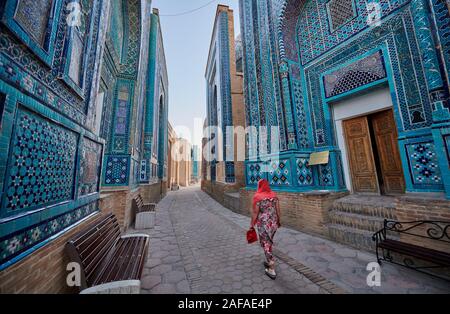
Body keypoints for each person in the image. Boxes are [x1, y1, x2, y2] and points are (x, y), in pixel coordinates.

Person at [250, 179, 281, 280]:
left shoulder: (258, 197)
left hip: (263, 224)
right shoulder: (274, 195)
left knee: (265, 243)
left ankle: (271, 266)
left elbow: (255, 213)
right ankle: (268, 261)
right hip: (273, 223)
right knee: (269, 242)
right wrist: (279, 221)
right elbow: (278, 210)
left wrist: (252, 224)